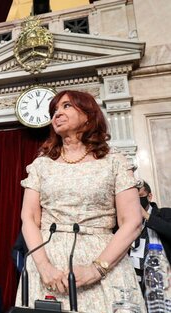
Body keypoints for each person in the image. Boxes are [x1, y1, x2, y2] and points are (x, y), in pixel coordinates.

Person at [17, 90, 145, 312]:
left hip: (104, 263)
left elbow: (132, 221)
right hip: (48, 267)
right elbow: (28, 219)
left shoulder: (114, 162)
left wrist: (97, 269)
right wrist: (44, 267)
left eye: (66, 106)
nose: (57, 113)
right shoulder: (41, 165)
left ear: (88, 115)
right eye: (55, 110)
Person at [130, 180, 171, 291]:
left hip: (162, 275)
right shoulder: (126, 221)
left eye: (140, 196)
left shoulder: (165, 214)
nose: (137, 201)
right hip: (135, 278)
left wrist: (147, 216)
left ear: (149, 196)